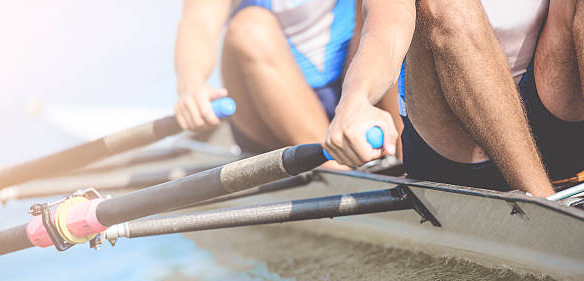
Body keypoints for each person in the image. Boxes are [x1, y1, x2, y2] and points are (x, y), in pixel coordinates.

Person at [323, 0, 584, 197]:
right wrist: (355, 100)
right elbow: (384, 33)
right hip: (461, 145)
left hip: (558, 108)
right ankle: (545, 205)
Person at [173, 0, 402, 163]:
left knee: (393, 12)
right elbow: (199, 23)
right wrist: (191, 86)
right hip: (269, 103)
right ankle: (337, 173)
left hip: (356, 82)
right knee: (250, 26)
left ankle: (405, 154)